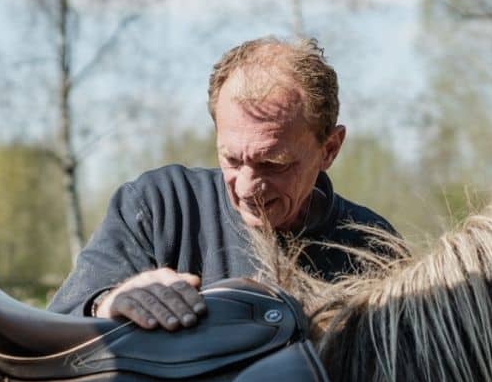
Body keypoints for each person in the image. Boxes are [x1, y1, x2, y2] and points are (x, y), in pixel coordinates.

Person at [48, 36, 397, 330]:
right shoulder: (159, 208)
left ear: (329, 149)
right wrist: (108, 305)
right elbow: (57, 326)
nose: (246, 187)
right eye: (231, 159)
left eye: (272, 163)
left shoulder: (371, 249)